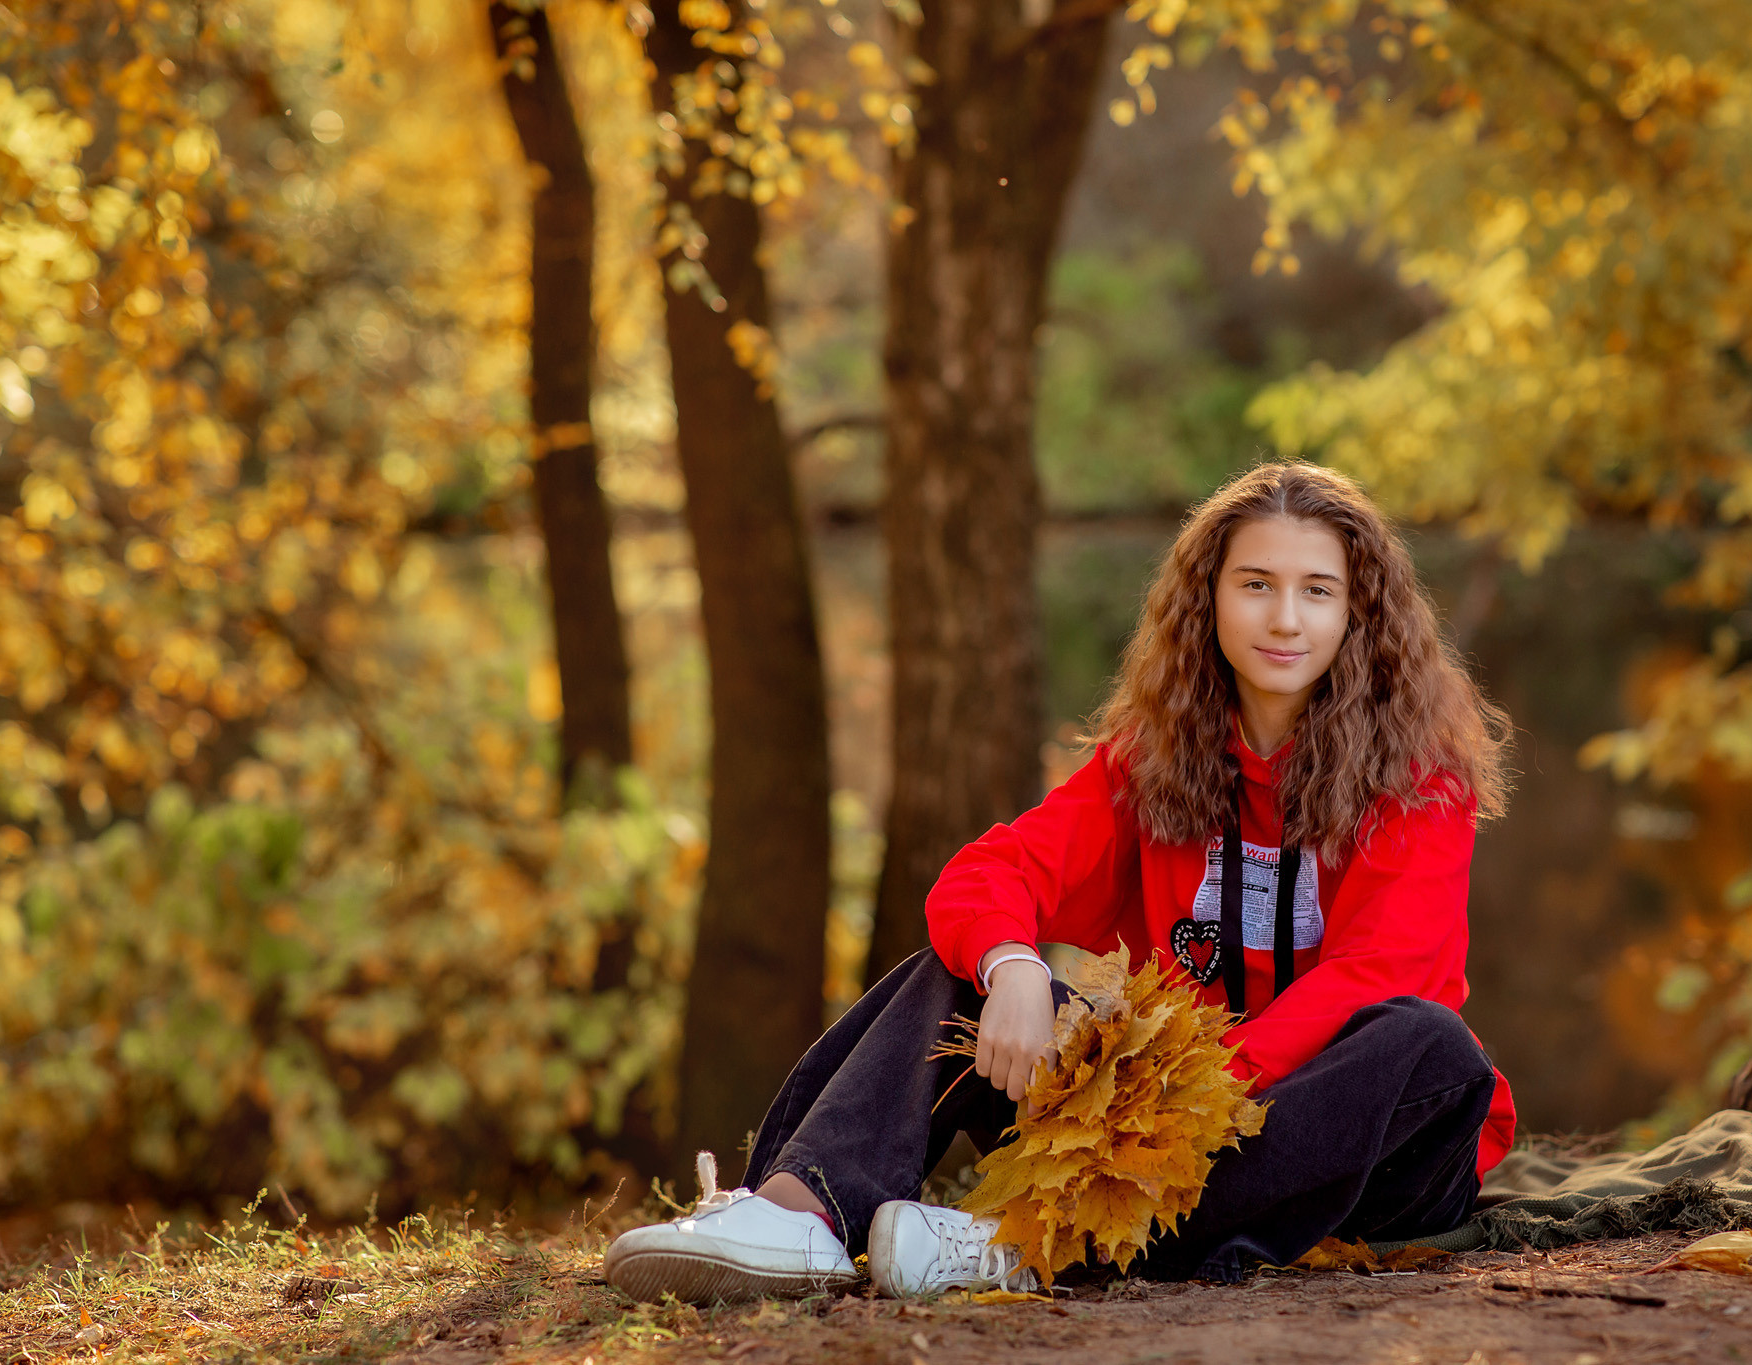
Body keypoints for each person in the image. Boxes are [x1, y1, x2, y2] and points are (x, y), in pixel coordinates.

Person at [604, 461, 1516, 1305]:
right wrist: (1013, 966)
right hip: (1145, 1139)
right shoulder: (1157, 763)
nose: (1286, 619)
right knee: (961, 971)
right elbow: (992, 873)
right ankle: (803, 1214)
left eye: (1318, 591)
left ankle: (1030, 1238)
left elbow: (1383, 969)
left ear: (1360, 612)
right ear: (1208, 600)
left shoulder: (1418, 776)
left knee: (1427, 1041)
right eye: (1256, 584)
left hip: (1357, 1144)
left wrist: (1167, 1108)